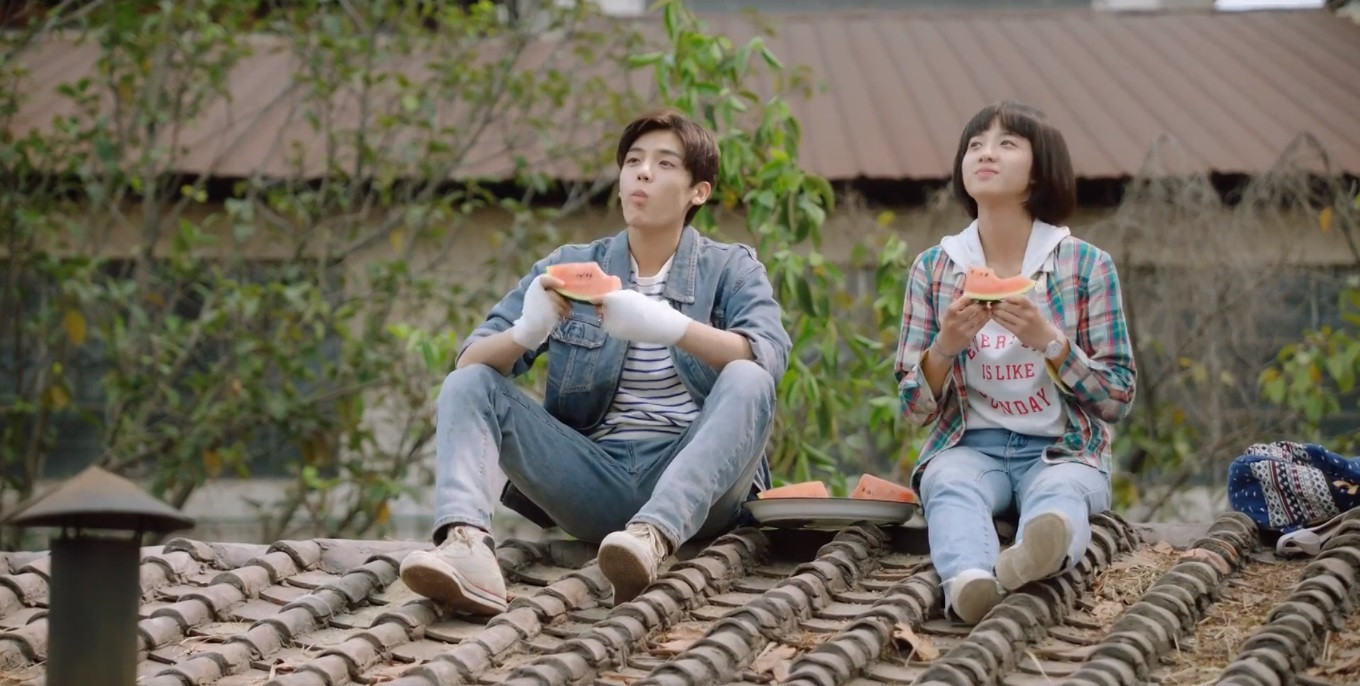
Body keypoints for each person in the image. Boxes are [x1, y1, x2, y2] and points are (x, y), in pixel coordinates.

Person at [399, 108, 791, 614]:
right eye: (633, 161)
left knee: (748, 378)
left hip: (699, 490)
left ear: (699, 192)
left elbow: (768, 356)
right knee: (467, 383)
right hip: (591, 477)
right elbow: (469, 361)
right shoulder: (568, 265)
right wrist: (527, 331)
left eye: (664, 163)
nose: (642, 173)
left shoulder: (732, 267)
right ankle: (466, 545)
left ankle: (653, 536)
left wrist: (671, 326)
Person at [894, 101, 1136, 625]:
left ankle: (1033, 558)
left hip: (1063, 450)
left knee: (1060, 492)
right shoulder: (934, 269)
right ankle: (969, 581)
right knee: (947, 482)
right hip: (969, 446)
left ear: (1039, 172)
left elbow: (1118, 397)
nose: (986, 153)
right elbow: (912, 409)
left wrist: (1050, 342)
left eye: (1007, 144)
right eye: (975, 144)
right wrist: (945, 347)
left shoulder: (1086, 265)